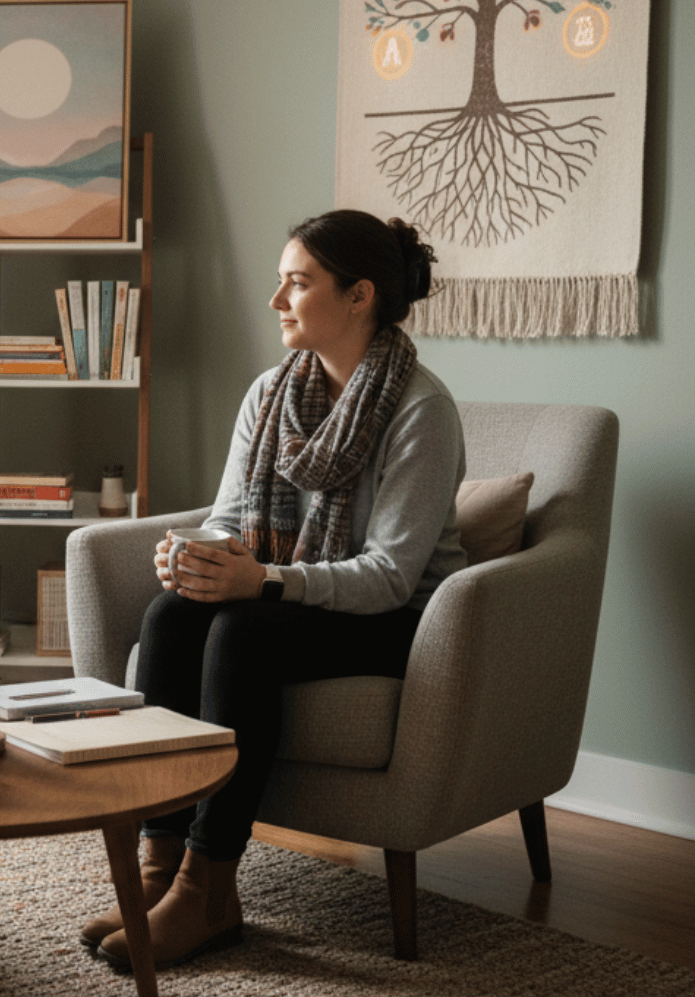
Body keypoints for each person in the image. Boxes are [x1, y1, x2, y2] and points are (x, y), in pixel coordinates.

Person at [83, 210, 468, 970]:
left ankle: (209, 889)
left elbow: (391, 574)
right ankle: (159, 869)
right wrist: (197, 559)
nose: (276, 299)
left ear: (359, 296)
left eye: (297, 282)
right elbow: (228, 517)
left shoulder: (422, 409)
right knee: (170, 616)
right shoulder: (270, 392)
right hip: (306, 594)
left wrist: (262, 581)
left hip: (401, 619)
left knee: (244, 631)